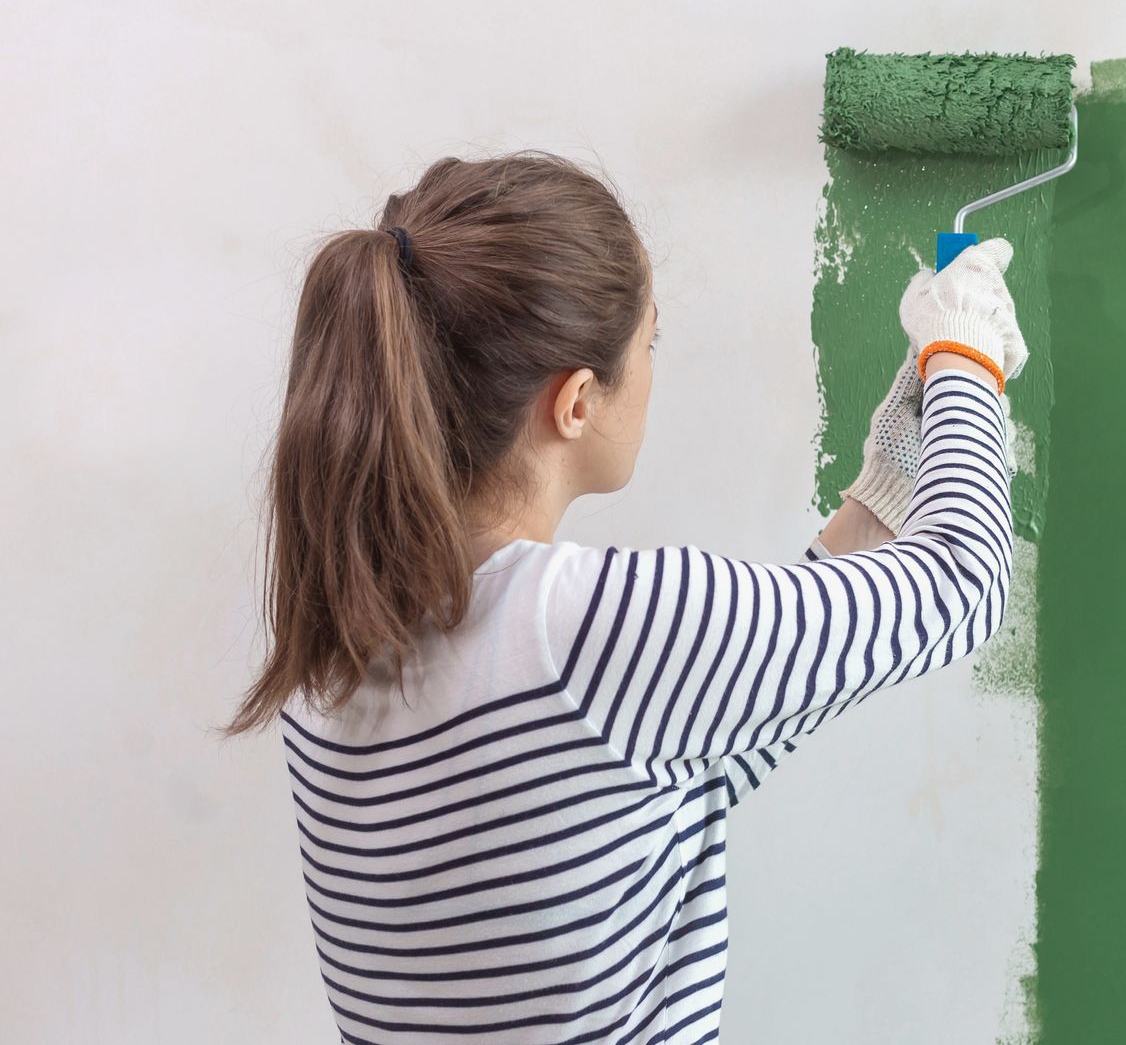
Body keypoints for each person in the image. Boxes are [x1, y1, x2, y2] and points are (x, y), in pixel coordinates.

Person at [222, 152, 1027, 1044]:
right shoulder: (585, 630)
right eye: (649, 343)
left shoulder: (334, 655)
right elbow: (964, 577)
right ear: (574, 403)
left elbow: (690, 765)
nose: (651, 366)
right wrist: (965, 357)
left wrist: (885, 484)